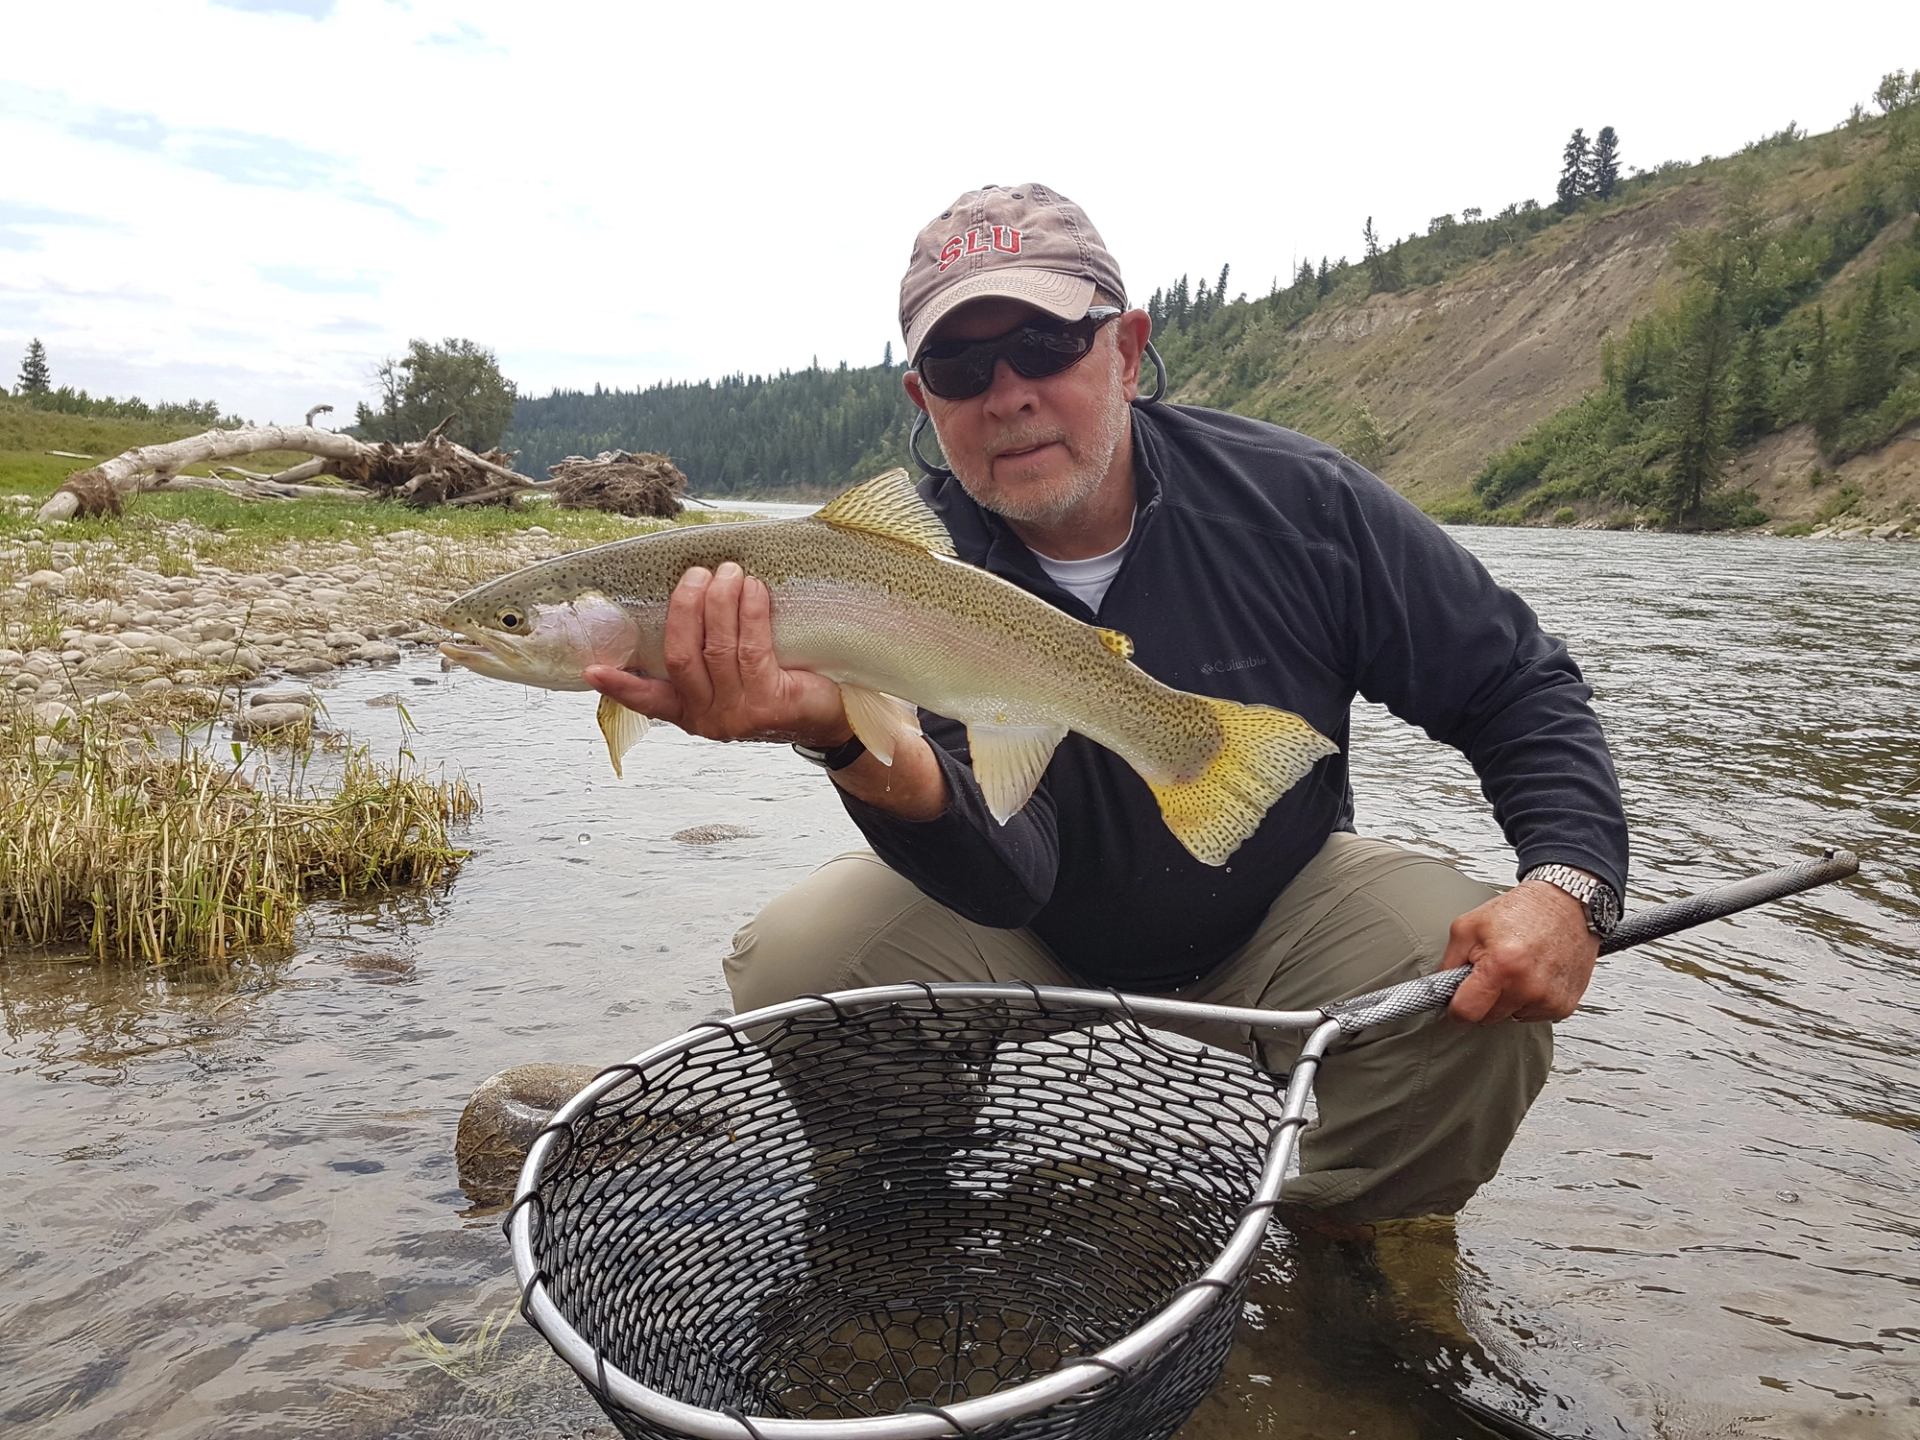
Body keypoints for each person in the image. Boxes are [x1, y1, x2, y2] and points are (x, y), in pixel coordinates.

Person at [586, 182, 1629, 1228]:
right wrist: (843, 739)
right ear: (924, 401)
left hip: (1278, 906)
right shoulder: (895, 578)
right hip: (1020, 929)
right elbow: (1008, 871)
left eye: (1044, 344)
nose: (1007, 395)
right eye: (961, 367)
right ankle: (902, 1211)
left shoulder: (1302, 502)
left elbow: (1515, 684)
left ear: (1126, 350)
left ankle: (1348, 1254)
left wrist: (1568, 885)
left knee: (1474, 998)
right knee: (801, 963)